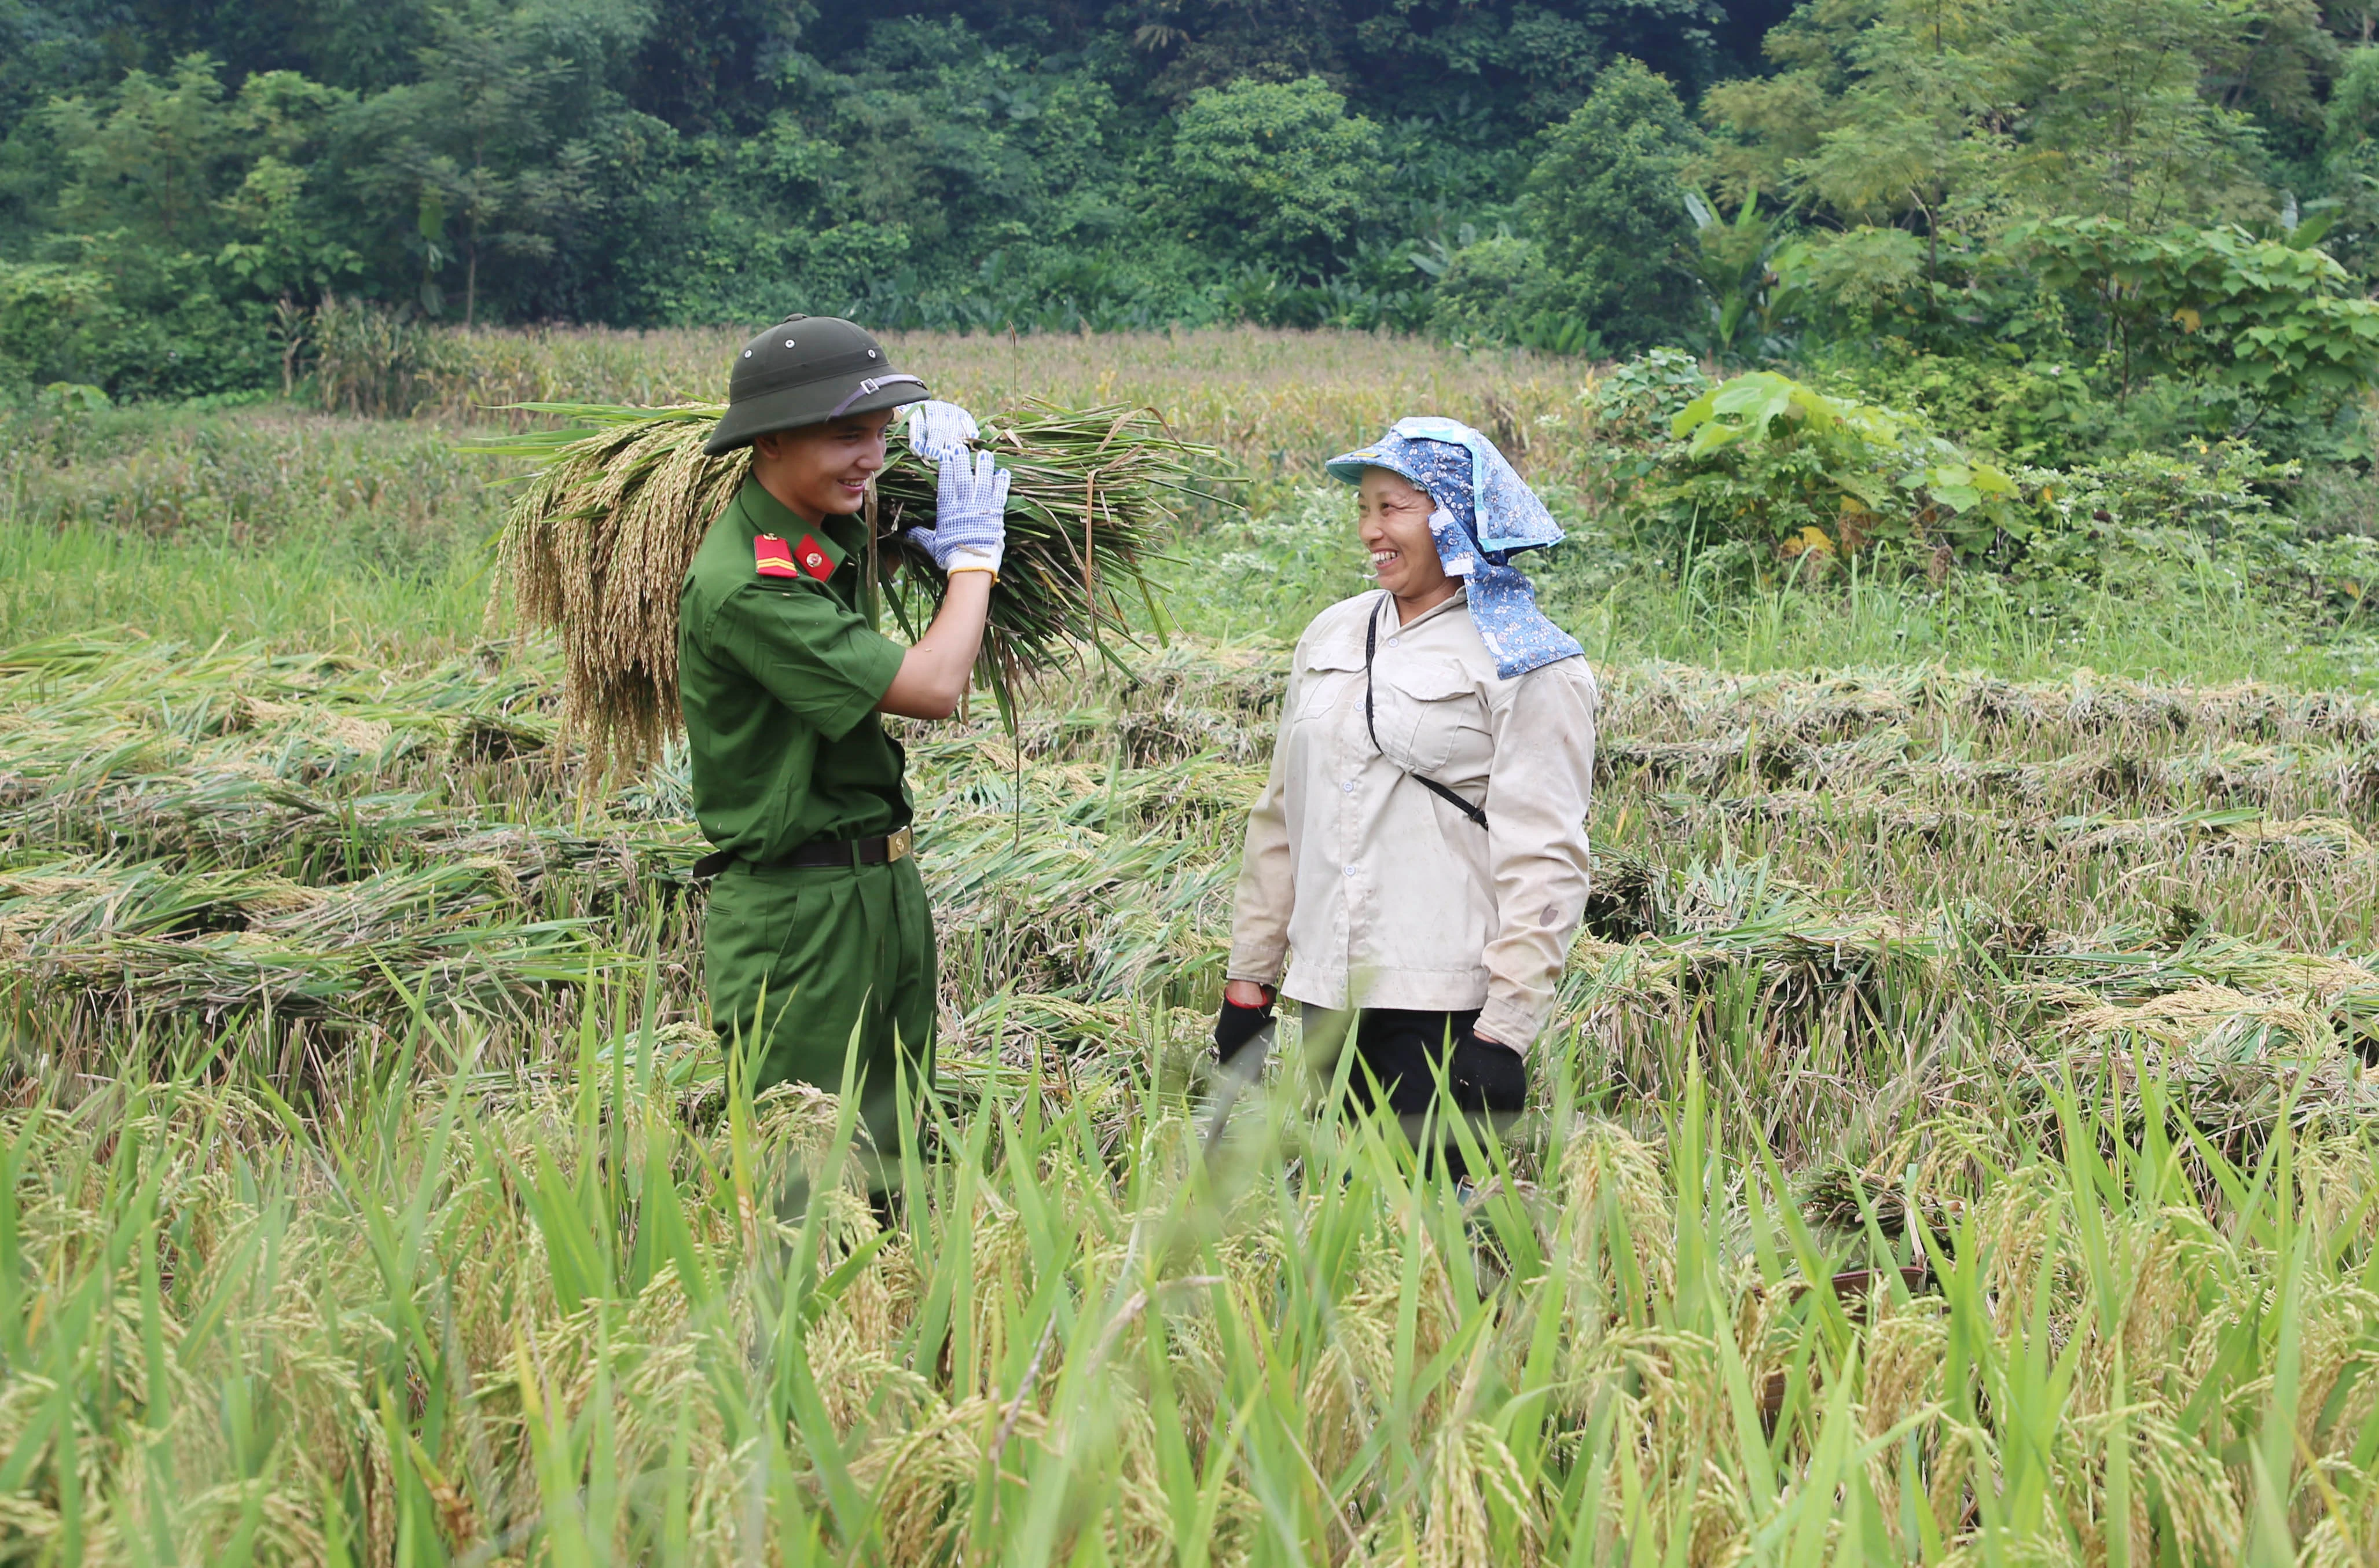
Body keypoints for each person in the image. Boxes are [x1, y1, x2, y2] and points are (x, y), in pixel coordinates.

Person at [1214, 416, 1597, 1157]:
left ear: (1453, 515)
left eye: (1393, 508)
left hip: (1447, 1004)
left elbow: (1545, 854)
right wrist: (1250, 977)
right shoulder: (1332, 633)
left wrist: (1506, 1030)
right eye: (1364, 508)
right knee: (1357, 1222)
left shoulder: (1525, 657)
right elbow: (1282, 818)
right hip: (1330, 993)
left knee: (1440, 1230)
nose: (1370, 530)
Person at [680, 313, 1007, 1167]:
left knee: (898, 1165)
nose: (870, 457)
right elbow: (933, 688)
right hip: (802, 914)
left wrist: (935, 469)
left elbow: (859, 530)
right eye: (846, 436)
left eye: (882, 434)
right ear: (770, 443)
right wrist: (973, 560)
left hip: (881, 887)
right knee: (812, 1182)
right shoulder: (749, 583)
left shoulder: (820, 534)